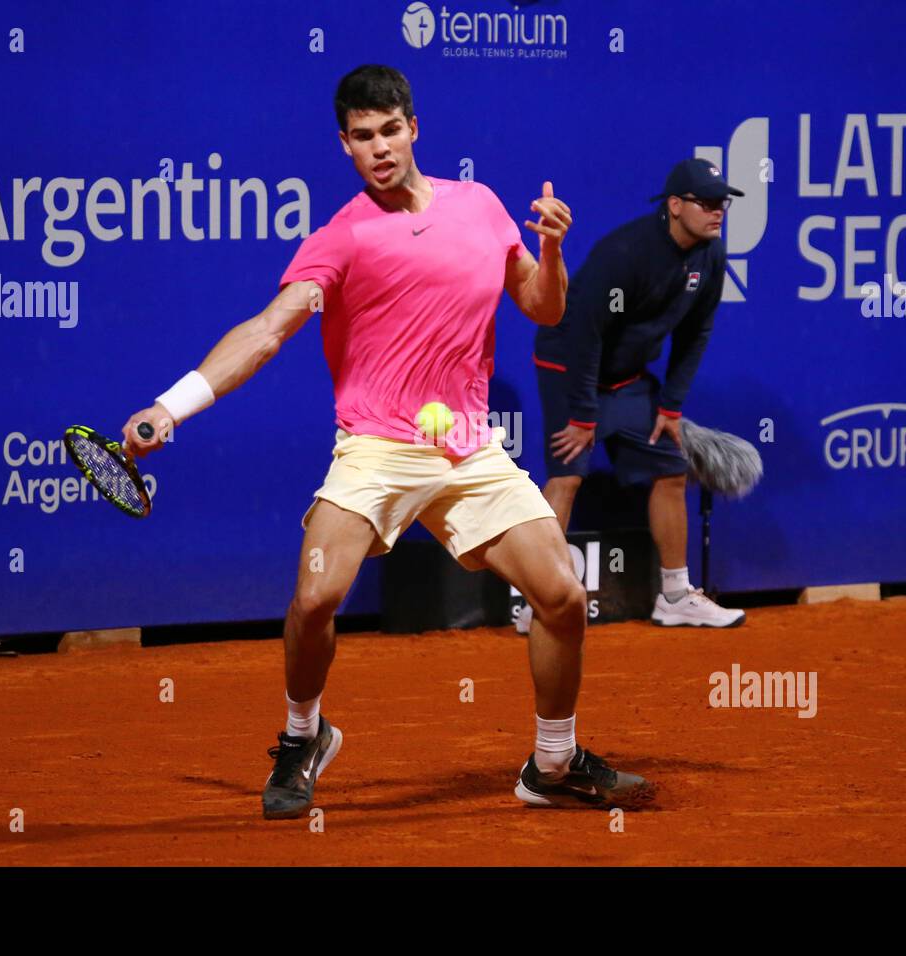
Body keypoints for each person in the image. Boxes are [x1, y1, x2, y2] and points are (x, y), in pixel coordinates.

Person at [121, 65, 654, 819]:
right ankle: (304, 736)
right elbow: (268, 332)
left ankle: (553, 761)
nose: (378, 147)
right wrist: (171, 408)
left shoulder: (482, 208)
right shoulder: (340, 238)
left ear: (413, 127)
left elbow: (541, 304)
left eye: (389, 130)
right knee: (316, 597)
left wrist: (554, 250)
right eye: (361, 136)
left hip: (468, 447)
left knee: (563, 596)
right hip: (376, 445)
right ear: (344, 144)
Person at [517, 158, 747, 634]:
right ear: (675, 206)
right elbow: (584, 333)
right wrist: (583, 414)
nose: (717, 211)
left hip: (626, 378)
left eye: (721, 203)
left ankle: (676, 596)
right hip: (569, 367)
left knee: (670, 469)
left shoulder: (711, 256)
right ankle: (538, 604)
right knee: (567, 478)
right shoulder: (627, 253)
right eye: (705, 203)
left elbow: (696, 332)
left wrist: (671, 406)